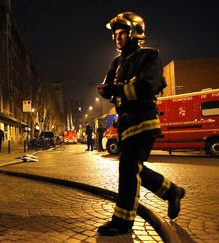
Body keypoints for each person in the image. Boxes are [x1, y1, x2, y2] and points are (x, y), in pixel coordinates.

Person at [96, 12, 185, 236]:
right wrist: (106, 91)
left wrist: (116, 90)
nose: (117, 37)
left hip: (143, 121)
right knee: (133, 168)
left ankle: (122, 222)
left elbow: (146, 87)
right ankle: (172, 191)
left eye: (122, 32)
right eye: (115, 34)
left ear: (134, 33)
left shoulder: (149, 57)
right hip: (125, 124)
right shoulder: (116, 63)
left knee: (128, 168)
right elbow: (112, 91)